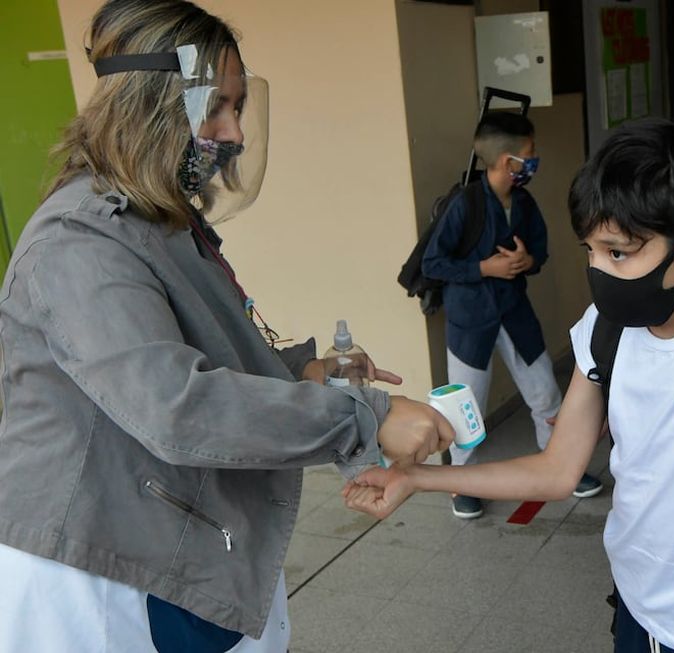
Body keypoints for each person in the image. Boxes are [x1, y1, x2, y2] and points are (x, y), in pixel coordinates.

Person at [0, 1, 451, 651]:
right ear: (151, 105)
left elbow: (200, 338)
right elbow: (176, 404)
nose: (235, 133)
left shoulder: (154, 219)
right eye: (219, 107)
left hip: (159, 531)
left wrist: (304, 371)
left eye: (238, 108)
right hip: (96, 568)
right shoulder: (79, 241)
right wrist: (363, 416)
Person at [350, 119, 674, 653]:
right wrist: (416, 477)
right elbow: (557, 469)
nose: (598, 270)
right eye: (589, 249)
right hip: (638, 614)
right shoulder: (604, 330)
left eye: (618, 252)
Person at [421, 111, 602, 519]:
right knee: (466, 409)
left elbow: (540, 251)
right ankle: (460, 487)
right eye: (529, 155)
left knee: (546, 395)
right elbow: (434, 262)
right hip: (470, 323)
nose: (533, 161)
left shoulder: (523, 202)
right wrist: (483, 269)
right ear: (507, 162)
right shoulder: (465, 204)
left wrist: (526, 260)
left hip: (516, 317)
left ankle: (562, 466)